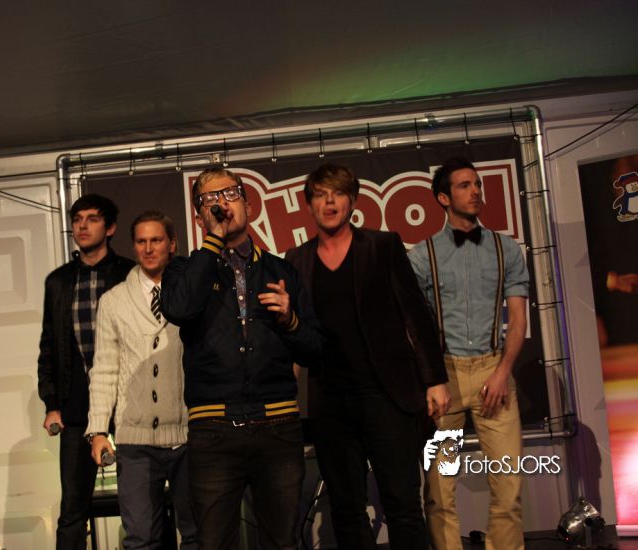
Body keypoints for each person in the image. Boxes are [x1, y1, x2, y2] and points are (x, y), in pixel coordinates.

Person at [285, 162, 449, 550]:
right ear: (309, 204)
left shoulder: (382, 246)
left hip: (386, 395)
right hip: (330, 401)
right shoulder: (297, 259)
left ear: (353, 201)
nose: (329, 202)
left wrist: (435, 379)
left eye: (338, 194)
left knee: (402, 505)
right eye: (320, 195)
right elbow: (294, 332)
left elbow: (415, 314)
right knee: (345, 508)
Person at [161, 167, 322, 549]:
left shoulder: (281, 270)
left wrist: (290, 319)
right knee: (214, 543)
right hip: (213, 429)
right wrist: (214, 241)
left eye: (230, 194)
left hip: (277, 426)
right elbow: (180, 308)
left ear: (249, 205)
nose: (222, 203)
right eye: (210, 199)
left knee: (282, 541)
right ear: (199, 217)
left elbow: (315, 348)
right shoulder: (184, 270)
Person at [408, 157, 529, 550]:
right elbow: (412, 326)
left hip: (494, 368)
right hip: (444, 377)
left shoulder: (505, 249)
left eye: (477, 184)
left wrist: (502, 372)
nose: (475, 191)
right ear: (443, 198)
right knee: (439, 492)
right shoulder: (422, 256)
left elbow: (518, 319)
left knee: (509, 485)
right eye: (464, 185)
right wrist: (432, 379)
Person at [87, 210, 197, 549]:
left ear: (172, 244)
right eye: (141, 241)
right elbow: (104, 368)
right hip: (135, 439)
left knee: (198, 534)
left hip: (189, 435)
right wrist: (98, 430)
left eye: (156, 240)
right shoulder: (114, 301)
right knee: (140, 539)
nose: (148, 249)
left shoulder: (192, 294)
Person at [37, 194, 135, 550]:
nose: (82, 225)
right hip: (78, 404)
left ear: (110, 228)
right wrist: (52, 403)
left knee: (140, 504)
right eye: (77, 219)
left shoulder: (129, 274)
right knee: (73, 509)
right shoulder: (59, 281)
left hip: (128, 402)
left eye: (92, 219)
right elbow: (49, 345)